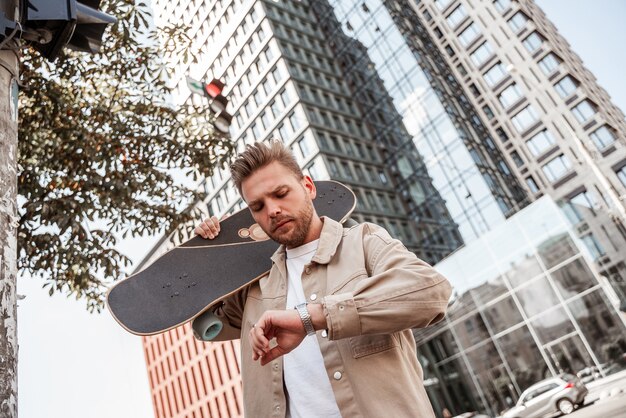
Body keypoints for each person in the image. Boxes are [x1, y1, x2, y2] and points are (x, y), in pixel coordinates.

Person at [194, 140, 452, 418]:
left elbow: (431, 292)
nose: (272, 210)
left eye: (281, 193)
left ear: (308, 186)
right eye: (258, 206)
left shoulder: (362, 241)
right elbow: (207, 325)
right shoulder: (254, 287)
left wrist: (313, 317)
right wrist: (209, 253)